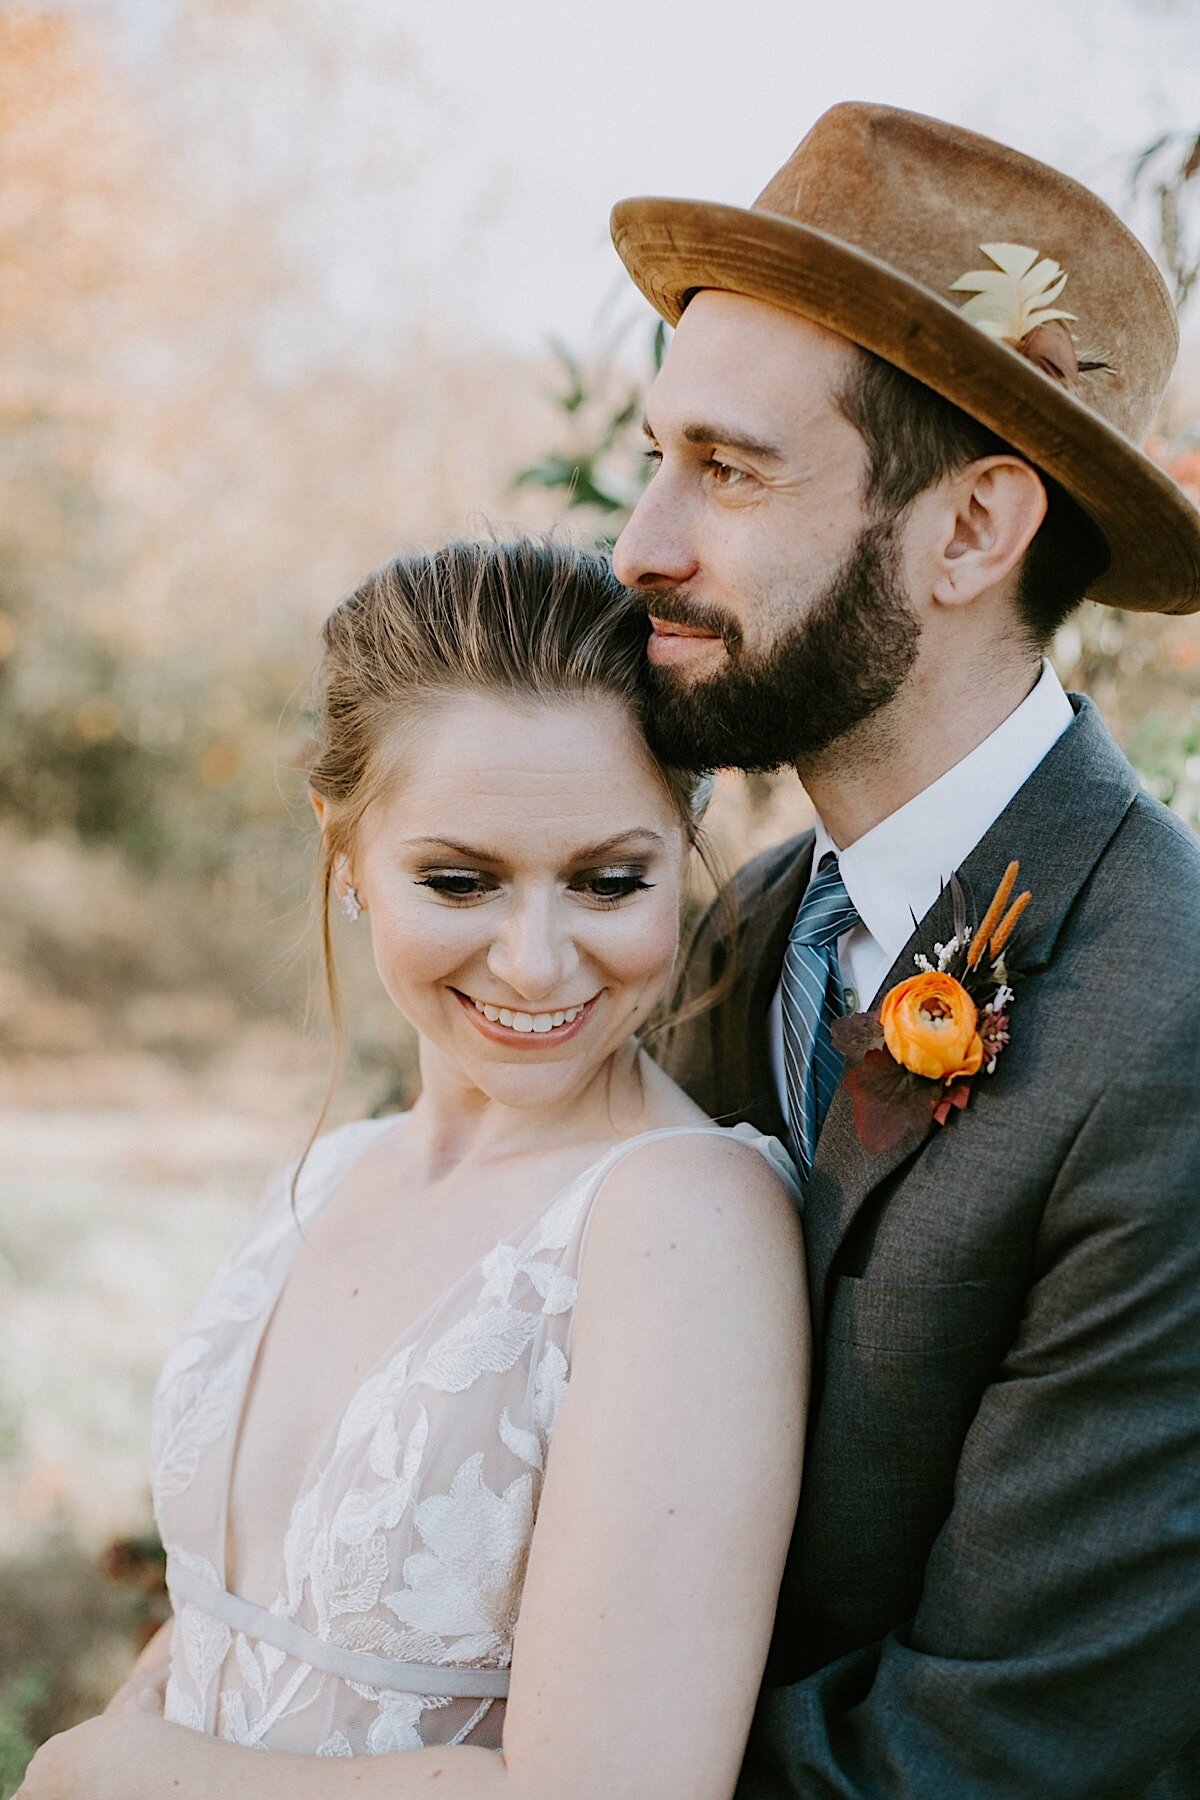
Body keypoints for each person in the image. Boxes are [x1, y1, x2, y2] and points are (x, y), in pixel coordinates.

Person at [608, 101, 1200, 1797]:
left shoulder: (1174, 1029)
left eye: (725, 468)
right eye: (661, 457)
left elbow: (1008, 1751)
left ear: (968, 534)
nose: (643, 539)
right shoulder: (741, 933)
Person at [17, 537, 807, 1800]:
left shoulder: (678, 1222)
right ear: (345, 853)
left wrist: (114, 1777)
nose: (539, 961)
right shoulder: (333, 1173)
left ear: (683, 845)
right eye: (460, 879)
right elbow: (245, 1625)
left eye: (609, 881)